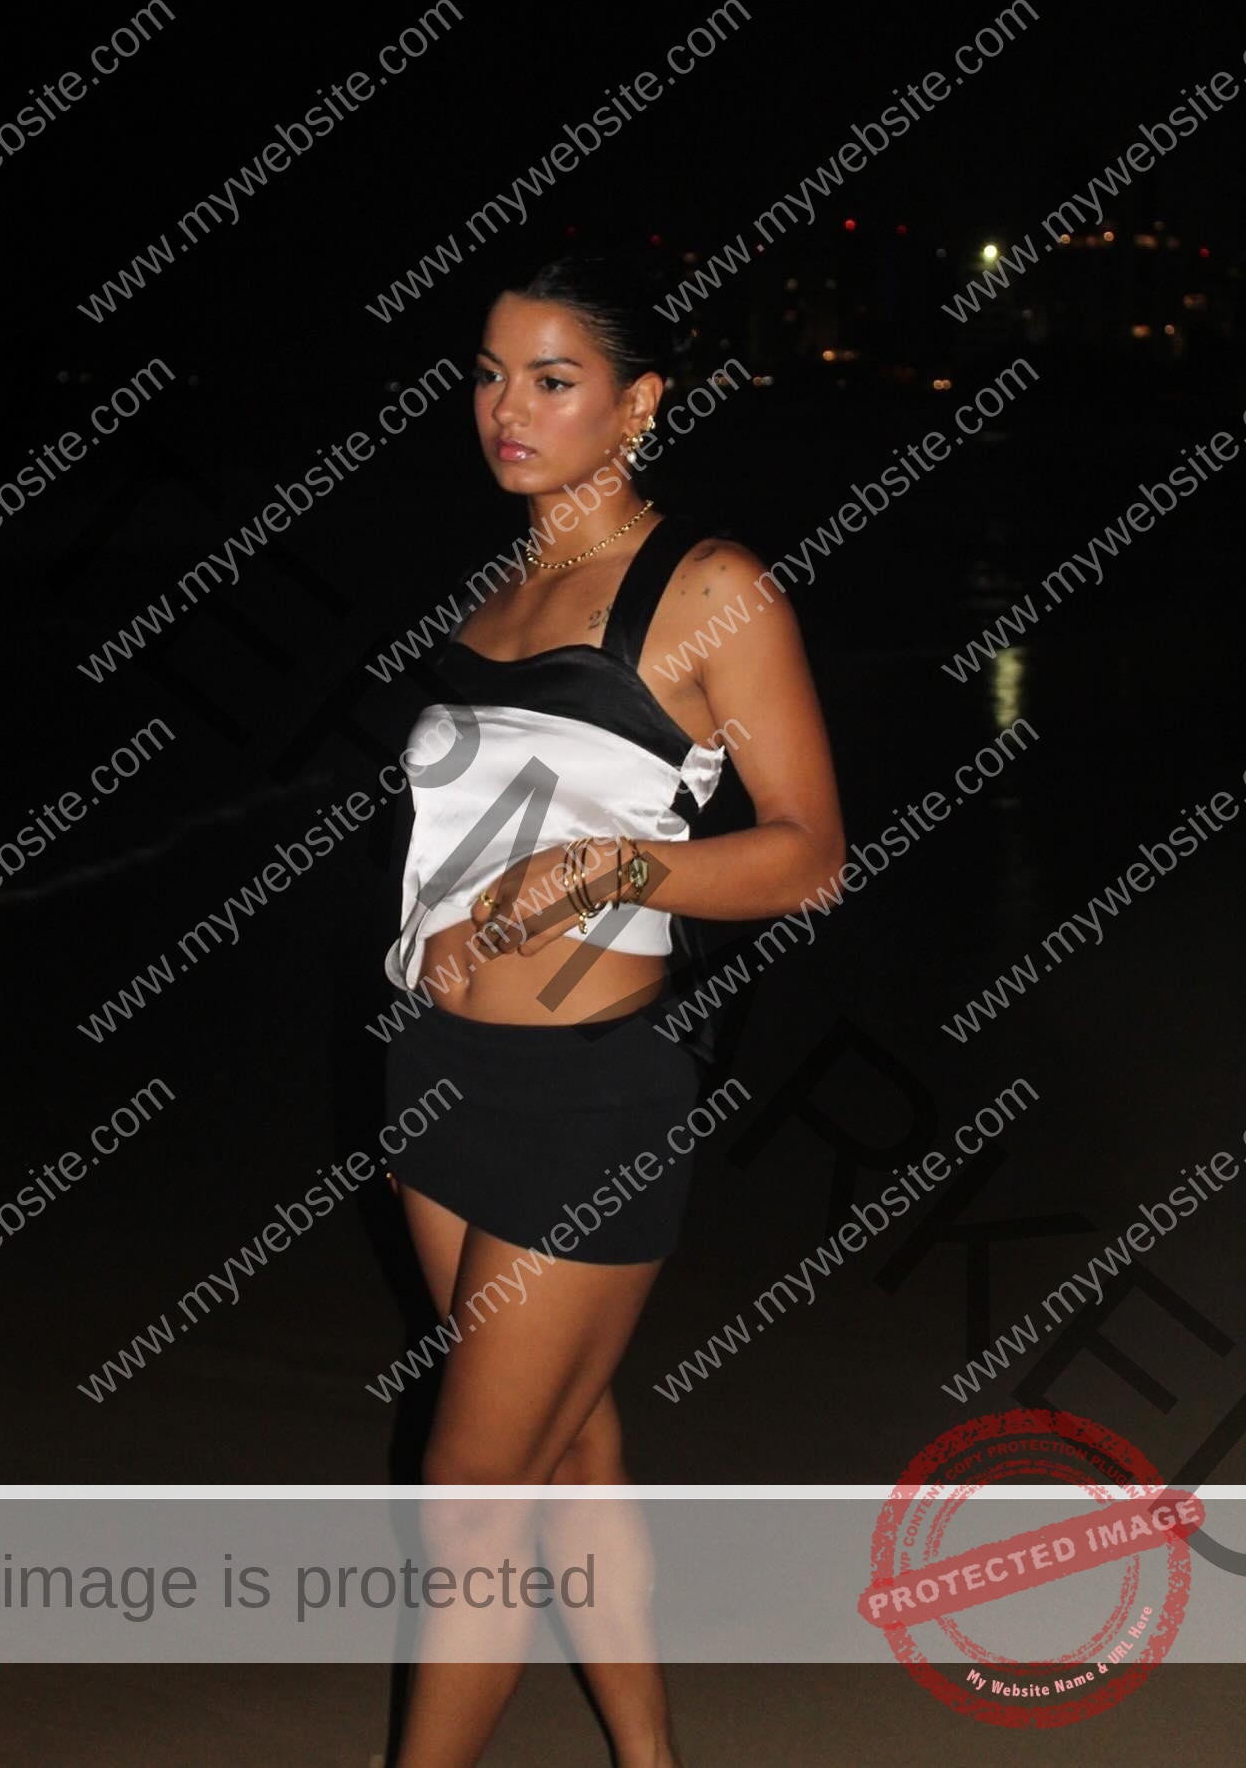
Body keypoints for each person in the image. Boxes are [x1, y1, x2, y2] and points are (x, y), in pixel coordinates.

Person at [380, 253, 846, 1767]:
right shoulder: (495, 589)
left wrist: (608, 868)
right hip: (437, 1075)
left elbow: (808, 857)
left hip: (588, 1096)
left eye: (552, 379)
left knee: (471, 1497)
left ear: (640, 403)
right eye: (488, 375)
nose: (505, 409)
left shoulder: (709, 590)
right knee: (569, 1447)